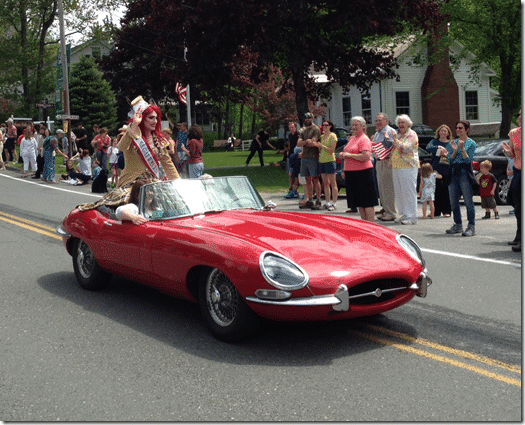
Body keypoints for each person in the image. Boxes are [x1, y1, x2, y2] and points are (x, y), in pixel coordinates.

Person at [78, 96, 180, 211]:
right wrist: (134, 126)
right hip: (132, 182)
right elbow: (121, 147)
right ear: (142, 118)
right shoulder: (130, 135)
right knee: (130, 204)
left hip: (152, 183)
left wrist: (179, 183)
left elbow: (167, 164)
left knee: (170, 203)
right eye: (151, 118)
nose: (155, 121)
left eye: (156, 118)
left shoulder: (159, 140)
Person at [339, 116, 378, 221]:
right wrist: (344, 169)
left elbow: (366, 156)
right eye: (353, 125)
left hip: (363, 173)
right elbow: (348, 153)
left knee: (367, 201)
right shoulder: (352, 138)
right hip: (351, 173)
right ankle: (364, 224)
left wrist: (349, 155)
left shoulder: (364, 139)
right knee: (359, 202)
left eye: (357, 125)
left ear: (363, 126)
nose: (354, 127)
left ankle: (371, 225)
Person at [384, 114, 420, 225]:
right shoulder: (398, 135)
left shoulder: (412, 134)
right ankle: (404, 214)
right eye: (399, 123)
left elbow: (405, 148)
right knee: (399, 192)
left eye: (403, 122)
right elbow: (394, 150)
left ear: (408, 123)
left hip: (408, 166)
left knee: (408, 191)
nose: (400, 125)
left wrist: (394, 140)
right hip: (396, 166)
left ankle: (412, 216)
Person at [445, 120, 477, 237]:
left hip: (464, 172)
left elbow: (468, 161)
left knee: (468, 201)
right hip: (453, 171)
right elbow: (450, 159)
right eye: (457, 128)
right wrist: (454, 150)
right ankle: (458, 224)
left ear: (466, 130)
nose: (458, 130)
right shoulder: (454, 142)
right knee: (453, 201)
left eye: (460, 128)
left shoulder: (471, 143)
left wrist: (462, 149)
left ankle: (471, 226)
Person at [502, 109, 521, 251]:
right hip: (518, 171)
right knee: (518, 206)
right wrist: (509, 153)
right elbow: (513, 154)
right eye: (519, 114)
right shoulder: (513, 133)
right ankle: (519, 237)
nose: (520, 117)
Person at [372, 113, 397, 221]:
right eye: (376, 120)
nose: (378, 122)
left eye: (380, 120)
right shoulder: (378, 133)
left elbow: (392, 146)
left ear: (386, 121)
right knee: (381, 188)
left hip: (387, 162)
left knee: (388, 188)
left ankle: (391, 212)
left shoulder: (390, 131)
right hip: (378, 162)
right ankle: (385, 209)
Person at [425, 124, 453, 217]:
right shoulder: (434, 142)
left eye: (445, 131)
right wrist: (438, 148)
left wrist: (445, 155)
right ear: (438, 132)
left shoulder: (451, 142)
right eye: (442, 131)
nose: (443, 132)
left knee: (446, 190)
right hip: (436, 169)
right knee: (436, 190)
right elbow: (428, 148)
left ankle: (446, 211)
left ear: (448, 133)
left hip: (447, 169)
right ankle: (435, 211)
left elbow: (454, 154)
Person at [297, 113, 322, 210]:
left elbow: (313, 143)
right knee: (307, 179)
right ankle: (310, 200)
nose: (307, 119)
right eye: (306, 118)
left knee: (315, 179)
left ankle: (318, 200)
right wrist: (306, 141)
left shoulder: (316, 129)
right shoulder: (304, 130)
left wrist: (306, 142)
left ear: (312, 118)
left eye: (309, 118)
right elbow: (298, 143)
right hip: (304, 157)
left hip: (313, 156)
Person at [314, 120, 338, 211]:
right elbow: (320, 149)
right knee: (325, 183)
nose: (324, 127)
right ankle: (327, 203)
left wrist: (322, 146)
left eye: (326, 125)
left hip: (330, 161)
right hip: (322, 161)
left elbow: (332, 150)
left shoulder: (333, 136)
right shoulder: (322, 136)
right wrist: (318, 146)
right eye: (323, 125)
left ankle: (334, 203)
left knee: (333, 183)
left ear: (330, 126)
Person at [284, 122, 300, 198]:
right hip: (290, 156)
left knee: (295, 174)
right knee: (290, 174)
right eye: (290, 128)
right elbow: (289, 145)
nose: (291, 129)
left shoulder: (298, 135)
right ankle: (291, 188)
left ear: (296, 128)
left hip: (296, 156)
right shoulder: (290, 135)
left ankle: (294, 190)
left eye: (292, 127)